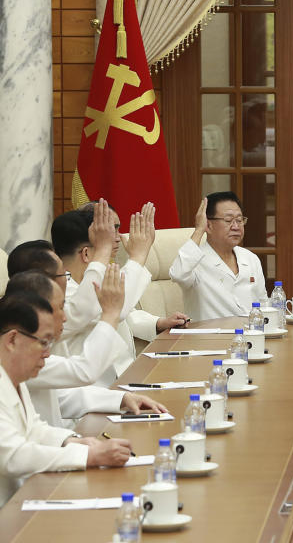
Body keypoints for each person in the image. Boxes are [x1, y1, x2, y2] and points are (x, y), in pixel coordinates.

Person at [0, 293, 132, 507]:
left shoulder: (15, 377)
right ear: (13, 339)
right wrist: (88, 456)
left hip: (20, 500)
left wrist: (74, 440)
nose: (47, 353)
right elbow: (13, 456)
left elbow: (34, 429)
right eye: (43, 342)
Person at [5, 270, 166, 427]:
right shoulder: (19, 359)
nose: (65, 317)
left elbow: (61, 398)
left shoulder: (24, 353)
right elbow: (83, 370)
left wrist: (122, 399)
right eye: (61, 307)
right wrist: (110, 313)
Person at [52, 201, 186, 375]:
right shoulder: (59, 292)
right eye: (109, 232)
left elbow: (124, 313)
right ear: (86, 252)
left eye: (116, 229)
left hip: (126, 374)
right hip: (94, 389)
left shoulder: (101, 272)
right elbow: (114, 310)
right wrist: (139, 255)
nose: (116, 238)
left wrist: (157, 323)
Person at [170, 192, 268, 320]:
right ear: (208, 225)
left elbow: (264, 304)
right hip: (210, 338)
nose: (236, 226)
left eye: (239, 220)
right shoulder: (195, 261)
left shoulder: (250, 258)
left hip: (251, 335)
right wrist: (199, 230)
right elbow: (177, 274)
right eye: (228, 220)